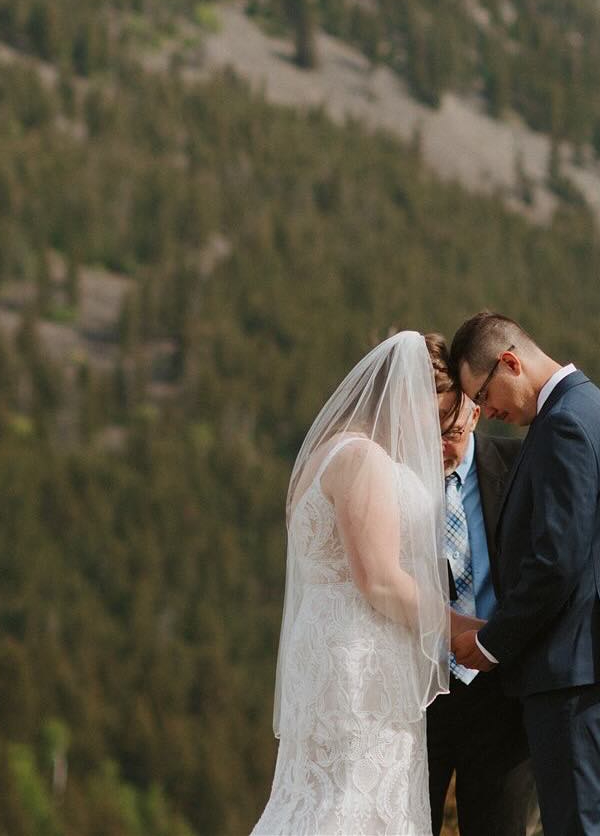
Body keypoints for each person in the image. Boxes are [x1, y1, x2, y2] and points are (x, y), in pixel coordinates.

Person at [250, 329, 466, 835]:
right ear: (406, 395)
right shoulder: (363, 459)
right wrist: (461, 627)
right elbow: (379, 579)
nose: (434, 431)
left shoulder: (332, 451)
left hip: (332, 644)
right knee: (351, 798)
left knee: (325, 794)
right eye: (435, 414)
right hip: (360, 660)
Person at [448, 315, 600, 836]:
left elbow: (556, 560)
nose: (487, 412)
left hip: (574, 665)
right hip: (588, 662)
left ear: (510, 362)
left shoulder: (563, 423)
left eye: (483, 395)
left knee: (578, 825)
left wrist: (492, 643)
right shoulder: (586, 408)